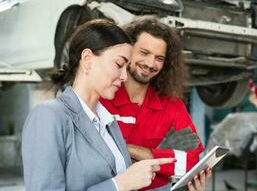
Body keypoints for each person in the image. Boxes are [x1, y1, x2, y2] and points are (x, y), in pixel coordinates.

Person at [22, 19, 178, 191]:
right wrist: (120, 184)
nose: (124, 76)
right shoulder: (49, 116)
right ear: (87, 59)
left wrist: (177, 188)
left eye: (126, 67)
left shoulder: (109, 124)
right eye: (119, 65)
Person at [100, 16, 205, 190]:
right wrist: (163, 157)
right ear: (127, 50)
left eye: (159, 58)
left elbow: (191, 163)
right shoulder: (103, 97)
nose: (150, 63)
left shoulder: (172, 105)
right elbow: (92, 159)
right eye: (144, 53)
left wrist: (132, 150)